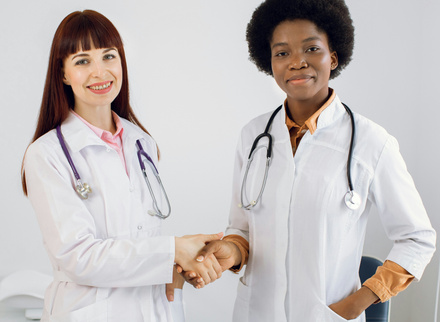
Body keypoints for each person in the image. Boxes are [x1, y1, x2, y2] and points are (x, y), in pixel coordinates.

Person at [182, 0, 437, 321]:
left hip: (327, 315)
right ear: (269, 63)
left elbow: (417, 239)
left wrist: (356, 303)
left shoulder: (373, 142)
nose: (297, 62)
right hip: (256, 313)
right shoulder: (253, 135)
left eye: (311, 49)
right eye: (282, 52)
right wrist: (230, 252)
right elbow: (242, 227)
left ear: (333, 56)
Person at [21, 10, 222, 321]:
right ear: (62, 73)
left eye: (109, 56)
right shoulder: (46, 154)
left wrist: (178, 265)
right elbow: (79, 257)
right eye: (82, 61)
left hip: (153, 307)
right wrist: (172, 251)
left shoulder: (142, 143)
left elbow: (141, 236)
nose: (100, 72)